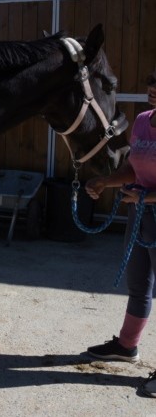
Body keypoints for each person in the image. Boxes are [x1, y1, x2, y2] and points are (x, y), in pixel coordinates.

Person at [84, 71, 156, 396]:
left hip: (145, 205)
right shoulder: (142, 121)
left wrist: (143, 196)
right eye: (151, 83)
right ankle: (127, 346)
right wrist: (105, 181)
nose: (152, 90)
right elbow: (134, 167)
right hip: (140, 213)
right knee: (139, 283)